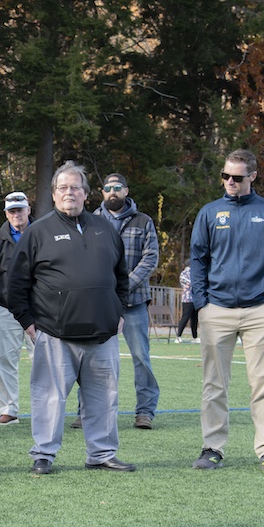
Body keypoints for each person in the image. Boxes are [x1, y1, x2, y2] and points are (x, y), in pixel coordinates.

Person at [7, 161, 134, 476]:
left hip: (102, 335)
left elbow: (121, 278)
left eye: (75, 187)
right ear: (53, 194)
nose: (69, 193)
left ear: (86, 194)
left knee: (104, 399)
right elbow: (16, 283)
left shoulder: (106, 229)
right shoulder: (38, 232)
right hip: (55, 334)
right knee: (48, 399)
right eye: (62, 187)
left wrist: (119, 311)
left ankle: (101, 454)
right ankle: (44, 455)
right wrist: (27, 321)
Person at [190, 149, 264, 473]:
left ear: (253, 177)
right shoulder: (209, 213)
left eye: (237, 177)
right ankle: (212, 448)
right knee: (214, 384)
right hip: (215, 310)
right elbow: (198, 260)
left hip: (260, 308)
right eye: (225, 176)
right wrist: (201, 304)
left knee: (263, 383)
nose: (230, 182)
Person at [93, 173, 161, 429]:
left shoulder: (143, 221)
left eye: (117, 187)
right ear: (102, 192)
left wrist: (124, 285)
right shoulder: (91, 221)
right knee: (92, 358)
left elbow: (151, 258)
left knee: (141, 358)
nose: (112, 191)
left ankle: (145, 412)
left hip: (134, 303)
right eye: (108, 188)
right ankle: (86, 411)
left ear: (126, 190)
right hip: (100, 303)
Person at [0, 190, 33, 425]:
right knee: (5, 360)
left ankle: (45, 409)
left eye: (19, 210)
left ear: (28, 210)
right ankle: (9, 410)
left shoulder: (41, 233)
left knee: (44, 361)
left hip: (38, 309)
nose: (16, 214)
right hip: (5, 308)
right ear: (6, 213)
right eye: (11, 211)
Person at [176, 263, 199, 342]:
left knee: (194, 318)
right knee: (185, 317)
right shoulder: (184, 273)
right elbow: (192, 283)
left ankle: (194, 337)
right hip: (187, 298)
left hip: (193, 298)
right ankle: (178, 336)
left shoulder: (193, 272)